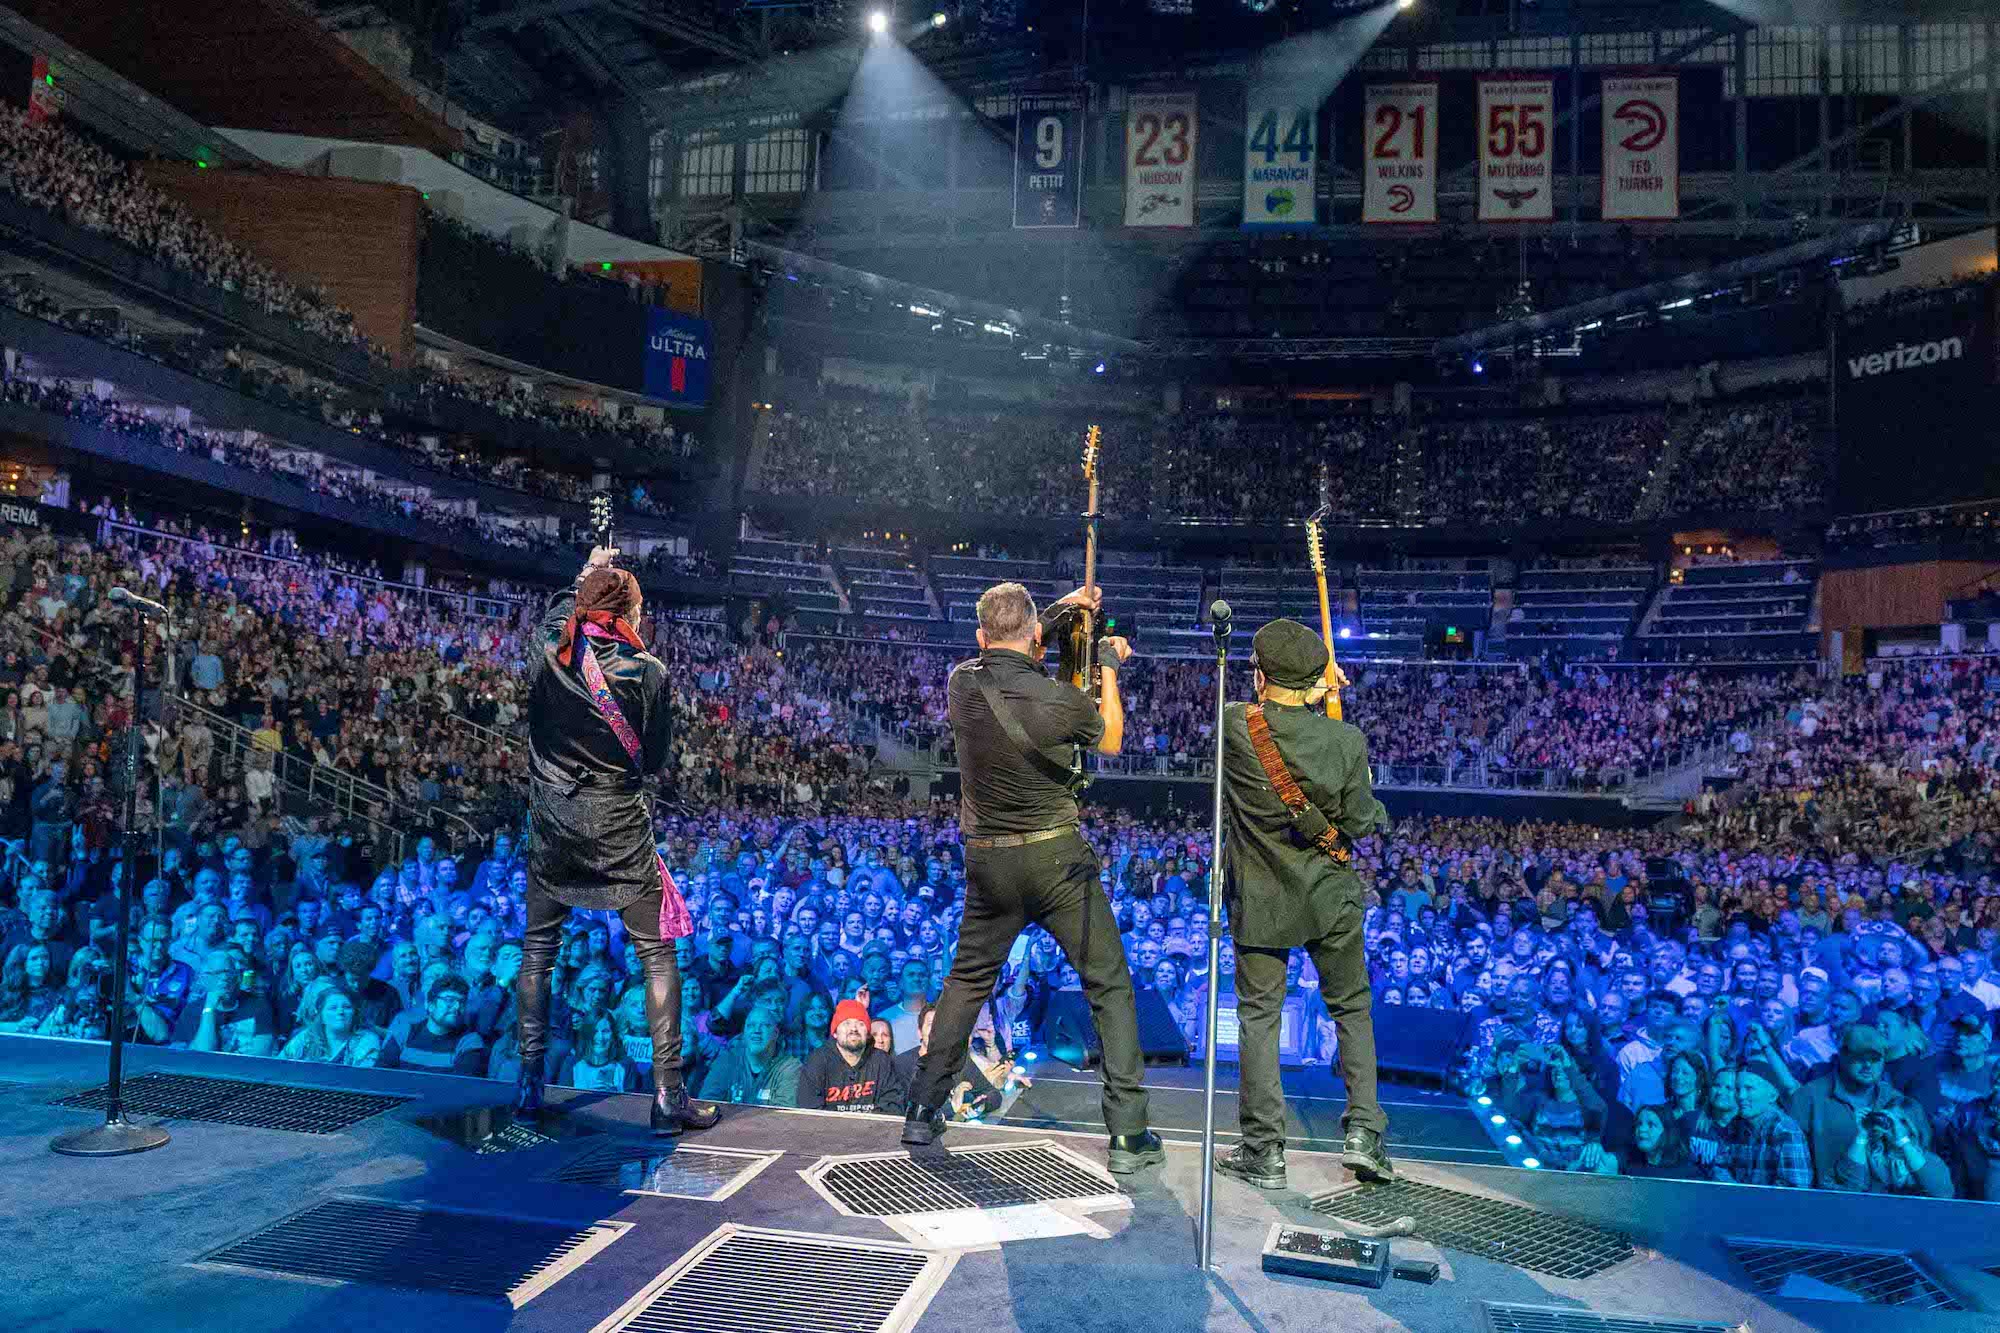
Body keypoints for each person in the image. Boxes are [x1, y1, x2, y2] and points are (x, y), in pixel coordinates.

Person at [898, 582, 1164, 1175]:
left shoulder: (963, 682)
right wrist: (1108, 668)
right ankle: (1127, 1133)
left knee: (967, 981)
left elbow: (1015, 639)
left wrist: (1060, 611)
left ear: (979, 637)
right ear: (1038, 638)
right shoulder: (1061, 702)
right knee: (1108, 985)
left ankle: (921, 1109)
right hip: (1057, 861)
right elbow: (1113, 740)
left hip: (989, 863)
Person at [514, 545, 717, 1136]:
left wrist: (584, 574)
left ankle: (528, 1085)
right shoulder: (649, 672)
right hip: (618, 830)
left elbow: (556, 616)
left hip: (554, 824)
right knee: (656, 956)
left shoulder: (549, 652)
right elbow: (652, 760)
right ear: (626, 609)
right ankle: (667, 1097)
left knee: (537, 950)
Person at [1213, 619, 1393, 1191]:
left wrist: (1311, 688)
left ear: (1260, 675)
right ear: (1318, 680)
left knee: (1260, 1020)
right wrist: (1325, 699)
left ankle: (1264, 1150)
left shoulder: (1233, 726)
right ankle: (1364, 1133)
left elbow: (1265, 708)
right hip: (1329, 896)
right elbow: (1363, 823)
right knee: (1350, 1010)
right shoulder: (1347, 742)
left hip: (1262, 899)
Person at [801, 997, 896, 1111]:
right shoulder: (817, 1061)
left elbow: (893, 1106)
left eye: (860, 1024)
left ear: (867, 1034)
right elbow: (809, 1112)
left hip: (874, 1128)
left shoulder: (882, 1061)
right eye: (846, 1023)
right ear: (835, 1033)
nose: (854, 1029)